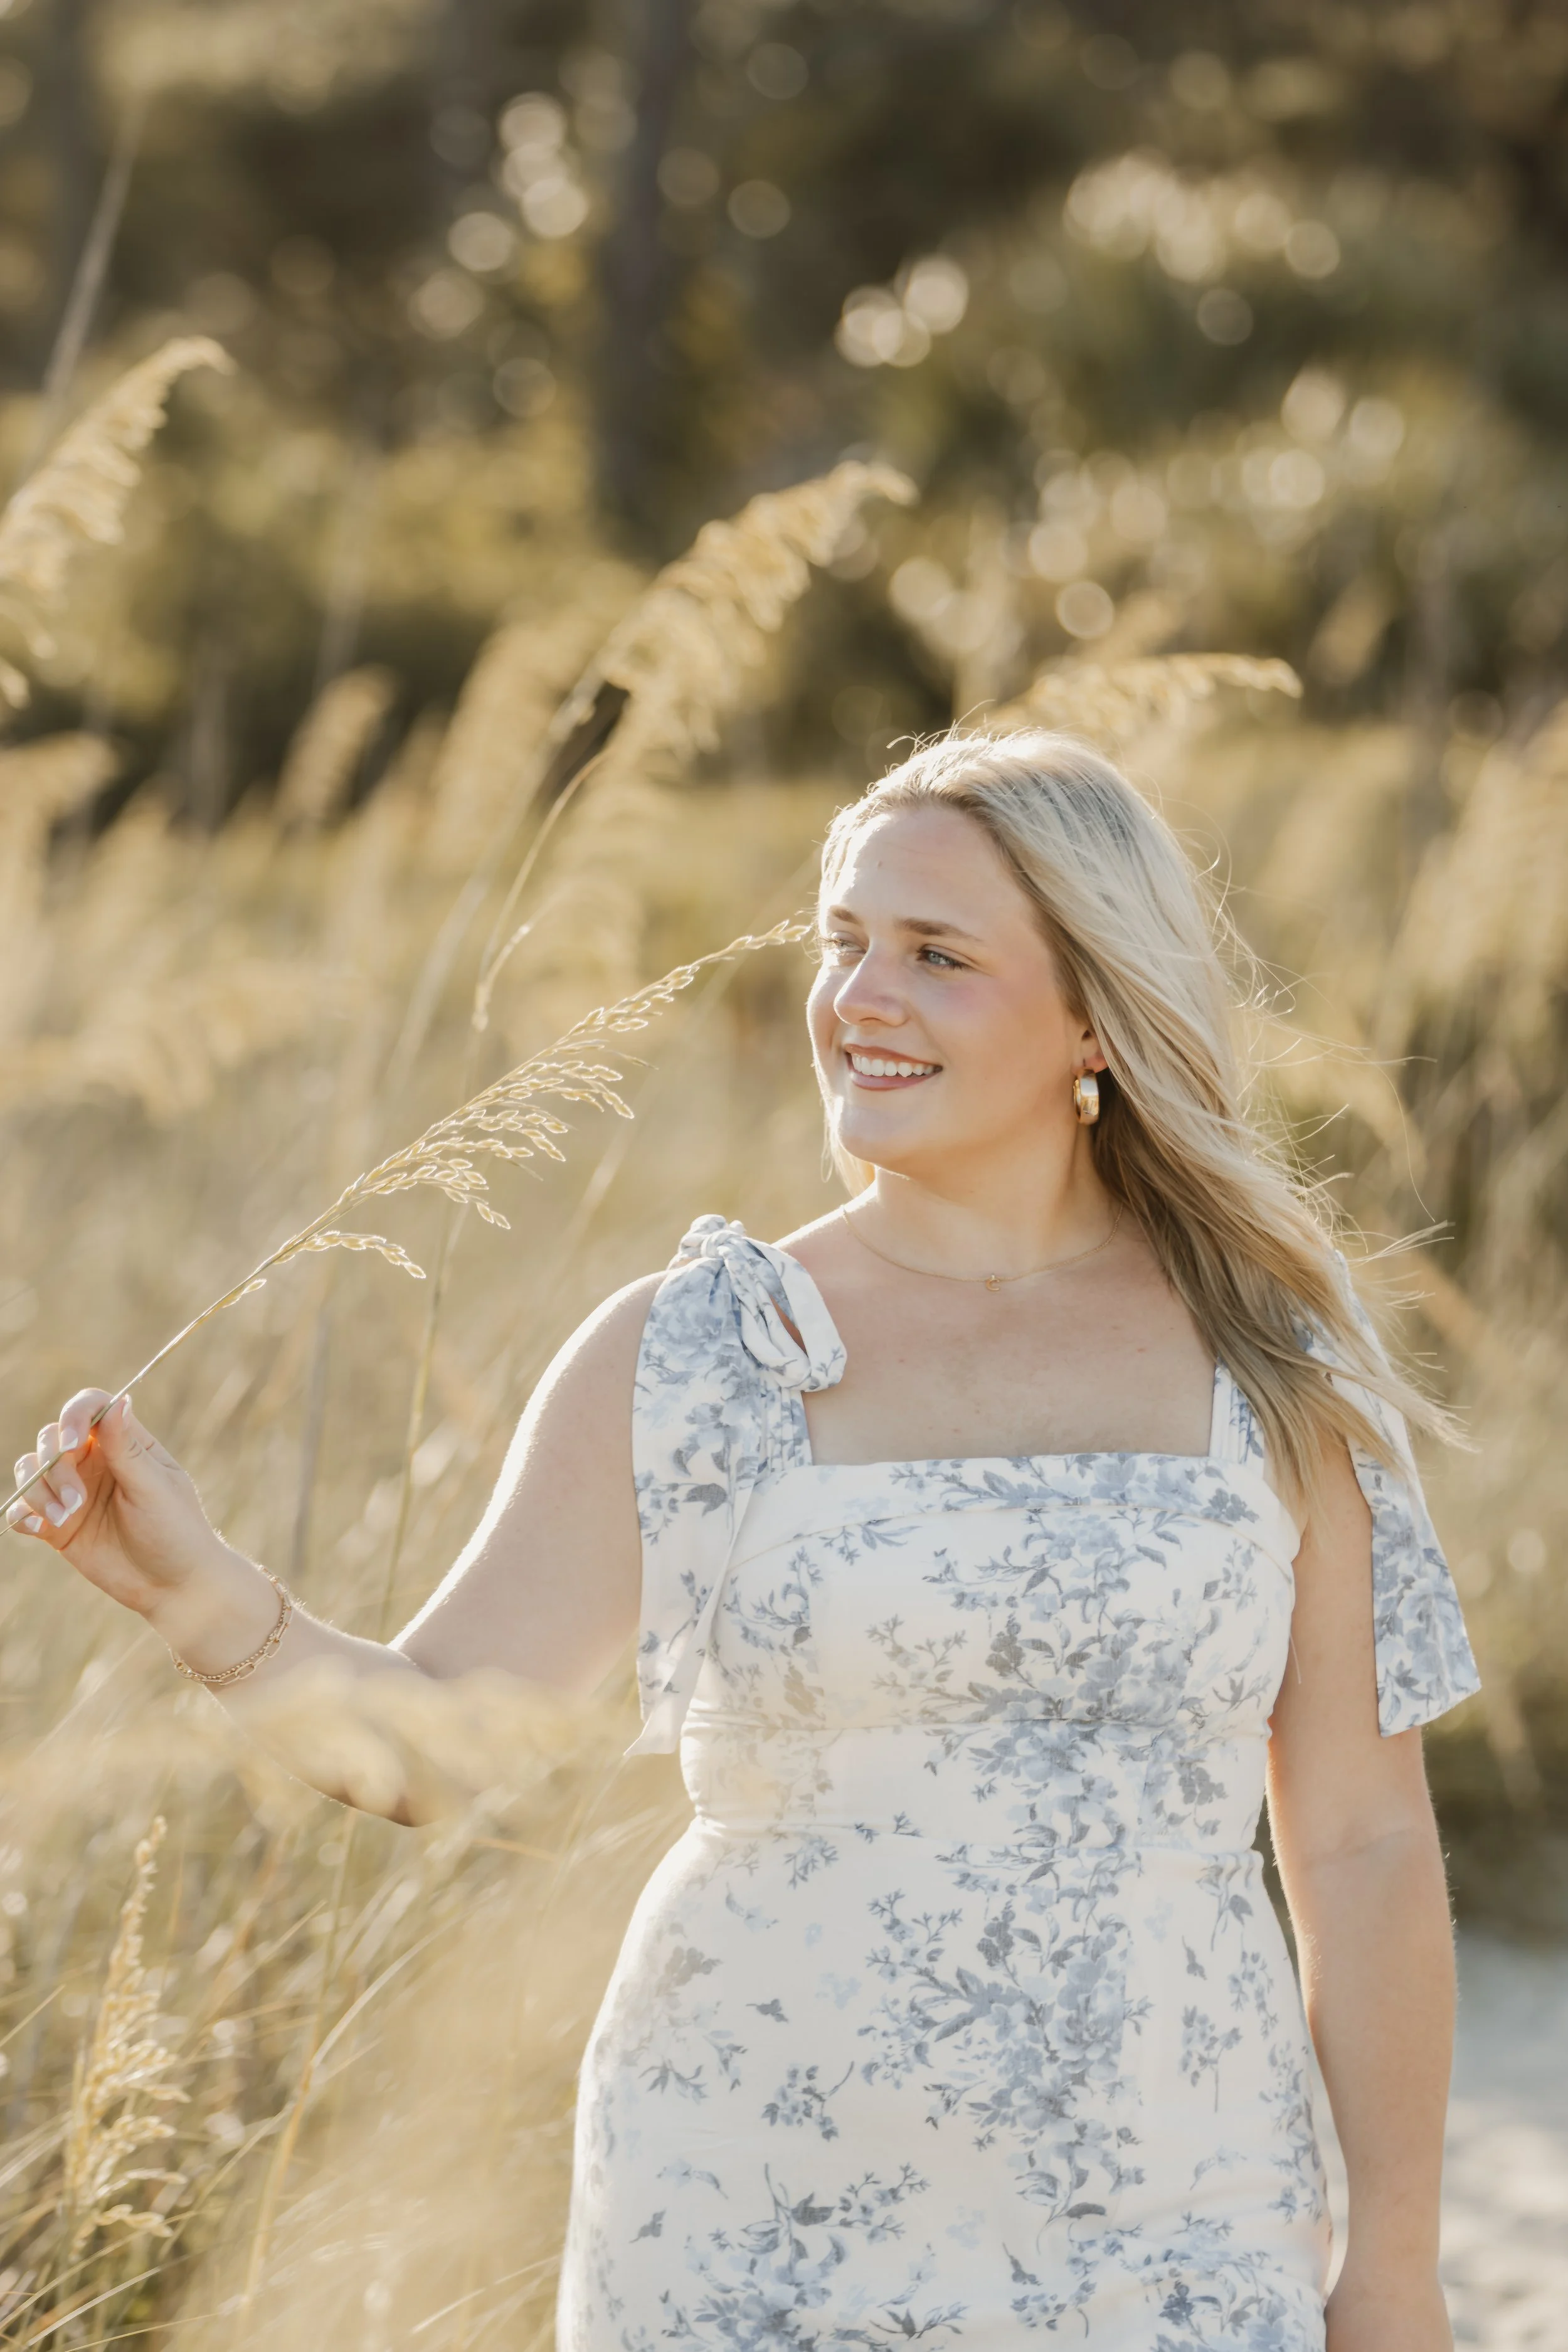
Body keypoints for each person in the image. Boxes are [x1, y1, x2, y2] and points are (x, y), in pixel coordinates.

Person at [10, 729, 1478, 2351]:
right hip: (742, 2218)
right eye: (843, 939)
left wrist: (1391, 2273)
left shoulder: (1271, 1366)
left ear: (1093, 1014)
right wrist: (199, 1592)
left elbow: (1361, 1841)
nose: (861, 993)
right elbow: (437, 1744)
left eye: (935, 953)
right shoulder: (704, 1345)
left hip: (1170, 2220)